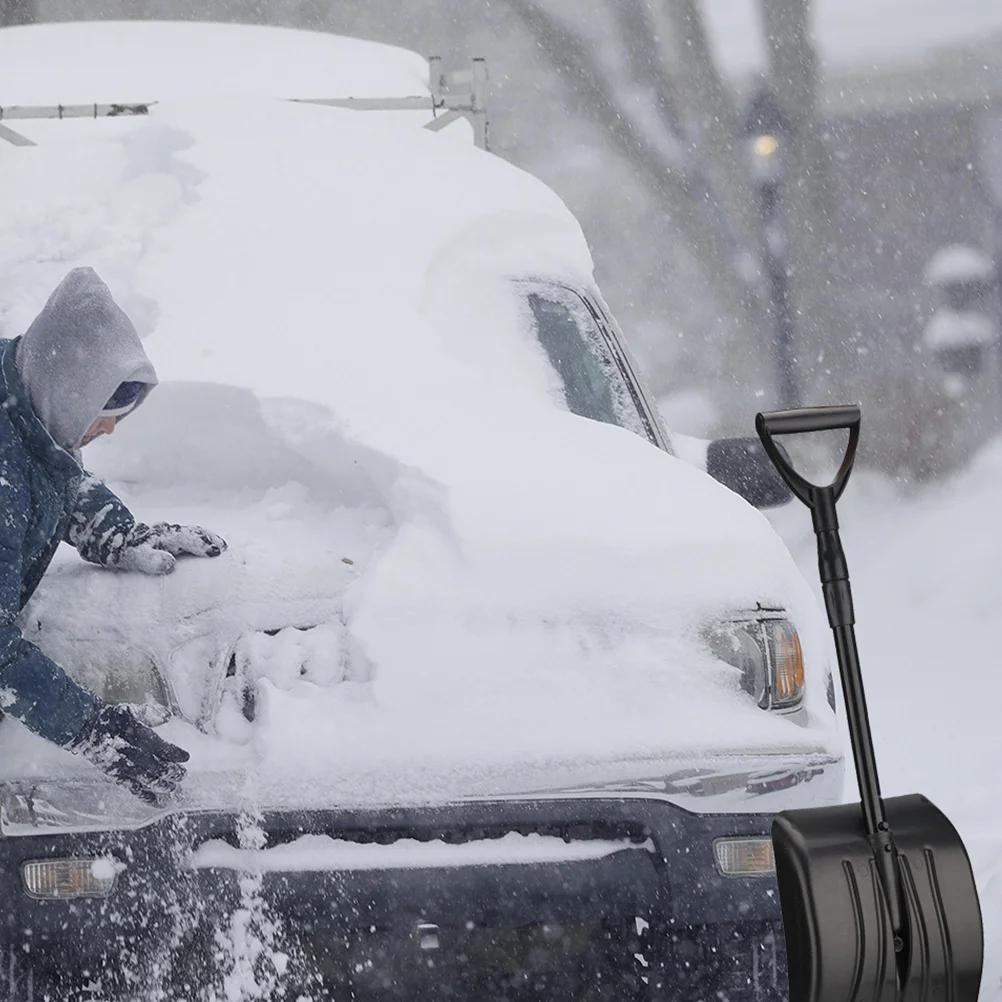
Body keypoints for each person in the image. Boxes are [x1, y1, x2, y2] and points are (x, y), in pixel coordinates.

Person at [0, 267, 227, 805]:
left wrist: (117, 534)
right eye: (101, 414)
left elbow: (55, 474)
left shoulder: (26, 395)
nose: (108, 430)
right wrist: (93, 730)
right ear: (67, 392)